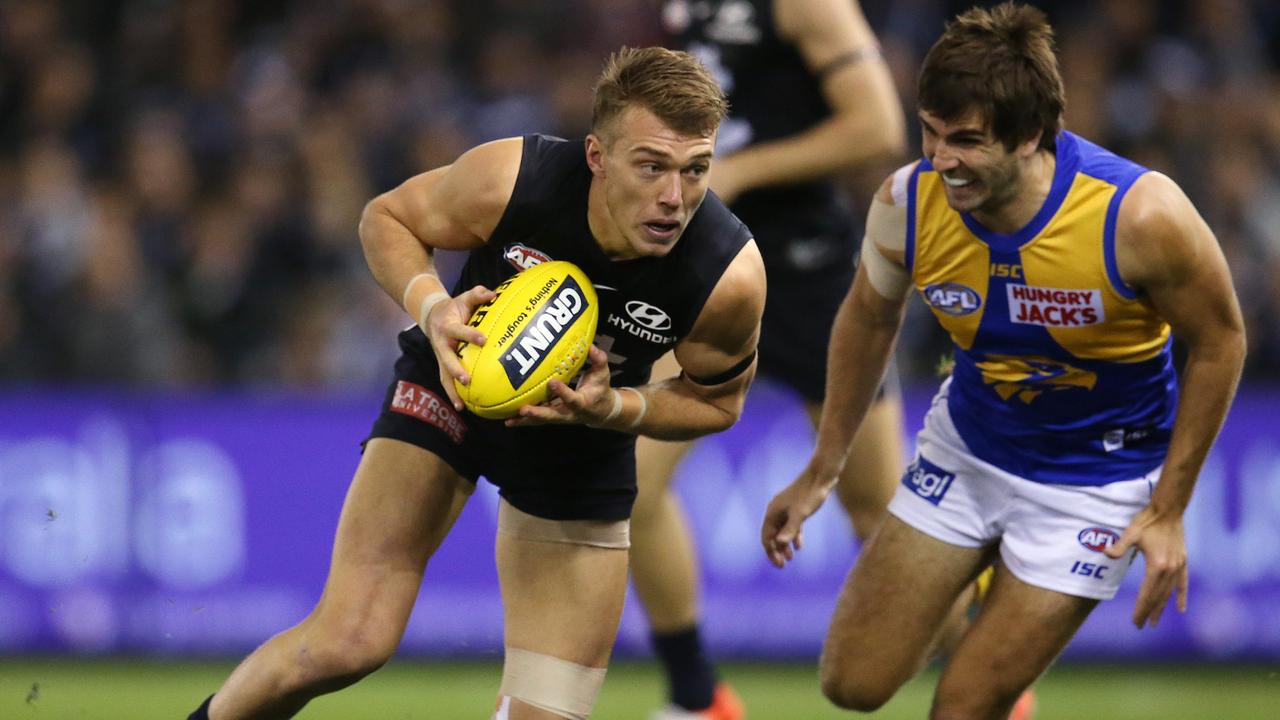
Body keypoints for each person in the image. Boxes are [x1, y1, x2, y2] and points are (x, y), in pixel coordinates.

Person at [186, 46, 766, 720]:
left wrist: (615, 407)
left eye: (696, 170)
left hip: (581, 447)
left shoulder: (727, 277)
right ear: (597, 157)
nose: (674, 198)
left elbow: (718, 400)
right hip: (452, 391)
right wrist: (434, 309)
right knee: (349, 642)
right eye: (652, 166)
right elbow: (387, 218)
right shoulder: (513, 179)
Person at [761, 3, 1247, 718]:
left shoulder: (1139, 217)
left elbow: (1221, 341)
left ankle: (996, 640)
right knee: (851, 685)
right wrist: (824, 466)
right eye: (930, 131)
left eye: (965, 141)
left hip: (1095, 485)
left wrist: (1169, 509)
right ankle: (977, 590)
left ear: (1029, 138)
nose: (940, 158)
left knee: (961, 708)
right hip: (970, 451)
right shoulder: (907, 202)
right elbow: (868, 316)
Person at [629, 1, 905, 717]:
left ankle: (992, 682)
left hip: (807, 274)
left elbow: (878, 125)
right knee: (627, 485)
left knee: (879, 514)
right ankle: (699, 698)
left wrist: (744, 170)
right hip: (710, 265)